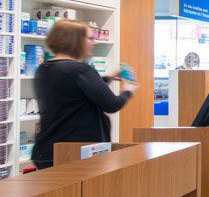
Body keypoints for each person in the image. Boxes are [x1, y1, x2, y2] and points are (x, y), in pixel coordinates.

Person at [31, 20, 138, 169]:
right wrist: (128, 90)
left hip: (47, 151)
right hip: (77, 152)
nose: (94, 42)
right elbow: (112, 104)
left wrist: (107, 78)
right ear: (76, 41)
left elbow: (72, 91)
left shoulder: (43, 69)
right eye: (90, 38)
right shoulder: (81, 70)